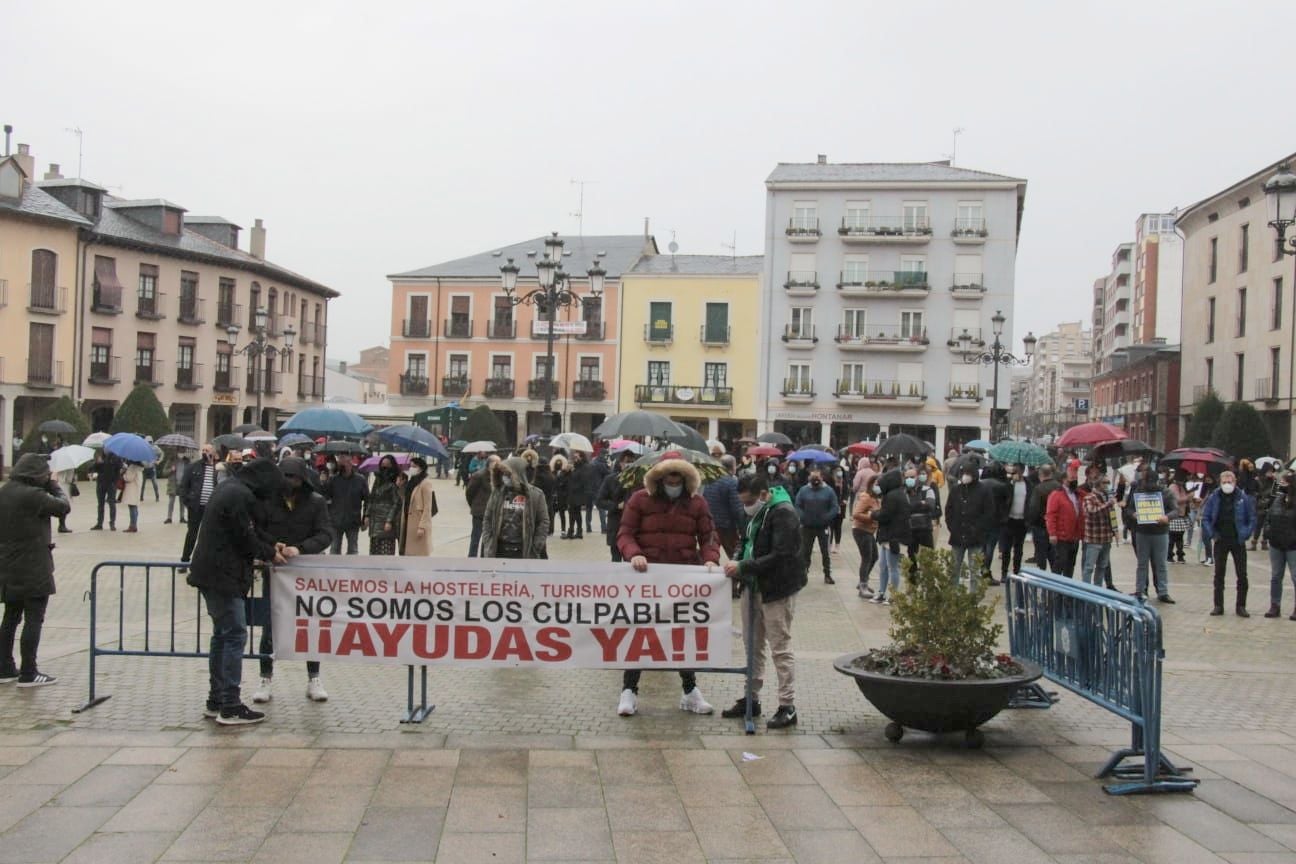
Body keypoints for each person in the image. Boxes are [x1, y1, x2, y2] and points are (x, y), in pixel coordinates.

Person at [615, 451, 720, 717]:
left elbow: (709, 536)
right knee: (640, 632)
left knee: (682, 633)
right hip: (646, 579)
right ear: (660, 477)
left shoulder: (697, 503)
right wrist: (634, 553)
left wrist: (710, 559)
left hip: (682, 578)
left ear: (686, 479)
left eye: (679, 478)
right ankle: (629, 691)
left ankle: (690, 691)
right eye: (669, 477)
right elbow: (625, 533)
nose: (674, 483)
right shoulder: (639, 499)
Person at [187, 457, 286, 725]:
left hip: (211, 573)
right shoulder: (240, 495)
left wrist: (271, 544)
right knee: (234, 635)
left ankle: (216, 699)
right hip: (223, 575)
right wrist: (270, 553)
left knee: (222, 636)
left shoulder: (230, 487)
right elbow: (244, 535)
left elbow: (249, 530)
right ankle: (230, 704)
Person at [722, 474, 805, 729]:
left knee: (779, 646)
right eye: (742, 502)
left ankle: (787, 705)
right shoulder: (757, 513)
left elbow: (782, 554)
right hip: (753, 586)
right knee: (752, 645)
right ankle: (751, 699)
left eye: (749, 501)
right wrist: (737, 557)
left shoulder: (783, 513)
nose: (746, 507)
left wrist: (744, 566)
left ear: (763, 494)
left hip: (776, 590)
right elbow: (746, 540)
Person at [254, 456, 333, 705]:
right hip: (276, 572)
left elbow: (325, 534)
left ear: (302, 479)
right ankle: (265, 679)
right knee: (270, 626)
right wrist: (270, 549)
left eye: (294, 478)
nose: (289, 482)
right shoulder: (268, 501)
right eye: (285, 477)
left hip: (306, 574)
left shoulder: (316, 502)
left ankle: (314, 678)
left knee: (310, 626)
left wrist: (301, 548)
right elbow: (258, 530)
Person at [0, 454, 71, 687]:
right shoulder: (33, 495)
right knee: (33, 618)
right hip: (33, 566)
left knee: (10, 618)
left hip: (9, 565)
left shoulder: (6, 491)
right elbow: (63, 507)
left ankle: (5, 668)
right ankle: (29, 672)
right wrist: (54, 485)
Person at [1201, 469, 1257, 617]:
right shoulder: (1214, 497)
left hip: (1237, 540)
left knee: (1242, 575)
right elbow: (1205, 517)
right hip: (1220, 539)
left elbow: (1251, 518)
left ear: (1235, 482)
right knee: (1219, 573)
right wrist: (1212, 534)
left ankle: (1241, 606)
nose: (1227, 484)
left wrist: (1245, 533)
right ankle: (1218, 605)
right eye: (1224, 482)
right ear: (1220, 483)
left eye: (1229, 481)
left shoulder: (1243, 497)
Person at [480, 456, 549, 558]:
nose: (504, 477)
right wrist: (488, 541)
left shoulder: (536, 495)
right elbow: (487, 518)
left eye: (507, 474)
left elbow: (543, 522)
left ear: (517, 474)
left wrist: (536, 546)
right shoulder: (497, 493)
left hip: (524, 551)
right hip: (499, 550)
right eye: (503, 474)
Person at [946, 458, 995, 586]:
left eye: (968, 473)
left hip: (976, 537)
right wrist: (952, 527)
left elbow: (989, 513)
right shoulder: (956, 490)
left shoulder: (984, 490)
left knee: (975, 571)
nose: (965, 476)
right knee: (954, 569)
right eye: (963, 474)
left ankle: (974, 599)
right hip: (957, 535)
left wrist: (979, 529)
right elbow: (949, 510)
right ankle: (952, 596)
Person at [871, 469, 911, 604]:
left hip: (894, 537)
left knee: (892, 567)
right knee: (883, 565)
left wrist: (873, 514)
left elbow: (885, 515)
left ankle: (893, 595)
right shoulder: (895, 494)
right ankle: (881, 592)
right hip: (887, 536)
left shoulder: (893, 496)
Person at [793, 467, 839, 584]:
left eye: (817, 477)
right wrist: (802, 516)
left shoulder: (829, 491)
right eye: (813, 477)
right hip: (807, 526)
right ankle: (803, 574)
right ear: (809, 478)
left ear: (822, 477)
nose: (815, 480)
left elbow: (834, 507)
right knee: (805, 551)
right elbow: (797, 505)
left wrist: (827, 517)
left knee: (825, 552)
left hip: (823, 526)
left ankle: (827, 574)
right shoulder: (803, 490)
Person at [178, 445, 218, 563]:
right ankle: (185, 559)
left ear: (213, 453)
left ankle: (207, 561)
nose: (205, 453)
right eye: (203, 450)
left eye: (208, 450)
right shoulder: (193, 467)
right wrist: (187, 501)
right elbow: (184, 486)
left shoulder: (218, 468)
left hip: (211, 508)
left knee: (209, 534)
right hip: (195, 507)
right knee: (192, 533)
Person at [596, 449, 638, 563]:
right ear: (620, 463)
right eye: (627, 461)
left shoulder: (638, 480)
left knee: (631, 559)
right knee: (616, 560)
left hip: (633, 528)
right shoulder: (610, 479)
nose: (629, 464)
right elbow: (599, 501)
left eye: (632, 462)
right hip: (616, 525)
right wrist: (615, 506)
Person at [323, 451, 367, 555]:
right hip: (336, 520)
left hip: (353, 520)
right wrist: (325, 481)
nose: (342, 462)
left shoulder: (360, 480)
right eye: (340, 460)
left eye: (344, 459)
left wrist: (366, 516)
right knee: (334, 549)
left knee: (353, 550)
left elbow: (367, 500)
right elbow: (325, 497)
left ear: (350, 461)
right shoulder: (333, 479)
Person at [1265, 472, 1296, 618]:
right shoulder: (1278, 499)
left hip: (1293, 545)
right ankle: (1275, 606)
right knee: (1276, 576)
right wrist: (1269, 533)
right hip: (1276, 544)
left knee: (1295, 576)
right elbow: (1269, 517)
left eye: (1285, 482)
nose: (1281, 485)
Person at [701, 454, 743, 561]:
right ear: (732, 467)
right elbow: (737, 507)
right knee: (734, 554)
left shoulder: (710, 479)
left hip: (710, 523)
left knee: (711, 552)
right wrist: (743, 526)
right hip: (726, 526)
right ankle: (737, 575)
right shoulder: (732, 482)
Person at [1045, 464, 1084, 578]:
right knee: (1059, 565)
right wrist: (1052, 533)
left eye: (1075, 479)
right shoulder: (1056, 495)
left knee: (1070, 566)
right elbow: (1051, 515)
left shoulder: (1077, 494)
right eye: (1072, 479)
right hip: (1062, 537)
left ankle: (1067, 594)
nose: (1074, 481)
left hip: (1074, 536)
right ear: (1064, 480)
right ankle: (1055, 594)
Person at [1081, 471, 1115, 586]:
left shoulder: (1107, 497)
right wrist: (1108, 505)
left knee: (1102, 567)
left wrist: (1115, 530)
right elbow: (1091, 512)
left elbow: (1112, 516)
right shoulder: (1089, 497)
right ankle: (1086, 592)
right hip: (1093, 540)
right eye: (1106, 482)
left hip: (1106, 539)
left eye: (1108, 482)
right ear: (1099, 484)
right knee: (1089, 567)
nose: (1108, 485)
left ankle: (1098, 590)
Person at [998, 464, 1030, 581]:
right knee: (1006, 548)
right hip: (1009, 520)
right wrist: (1011, 482)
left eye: (1019, 471)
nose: (1018, 473)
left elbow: (1030, 500)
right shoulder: (1008, 483)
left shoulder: (1028, 484)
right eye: (1015, 471)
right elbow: (1002, 497)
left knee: (1018, 549)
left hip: (1022, 520)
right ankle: (1004, 572)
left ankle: (1016, 571)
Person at [1026, 464, 1061, 571]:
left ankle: (1042, 575)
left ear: (1040, 475)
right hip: (1056, 526)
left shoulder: (1038, 489)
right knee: (1054, 555)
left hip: (1040, 526)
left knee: (1041, 554)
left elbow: (1034, 508)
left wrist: (1029, 523)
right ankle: (1056, 577)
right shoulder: (1059, 487)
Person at [367, 455, 404, 555]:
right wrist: (367, 515)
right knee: (374, 553)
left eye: (387, 465)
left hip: (387, 522)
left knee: (385, 553)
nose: (384, 467)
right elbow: (371, 498)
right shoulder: (378, 480)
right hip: (375, 521)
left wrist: (389, 520)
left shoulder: (398, 480)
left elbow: (397, 503)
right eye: (383, 465)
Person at [851, 480, 880, 599]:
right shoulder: (866, 498)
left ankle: (863, 581)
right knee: (867, 557)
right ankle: (863, 586)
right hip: (861, 530)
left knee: (874, 557)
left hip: (869, 531)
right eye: (876, 485)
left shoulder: (876, 498)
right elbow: (856, 513)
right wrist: (870, 517)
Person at [464, 454, 497, 557]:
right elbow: (469, 492)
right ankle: (472, 557)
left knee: (487, 538)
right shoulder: (479, 475)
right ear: (490, 464)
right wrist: (474, 505)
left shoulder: (497, 476)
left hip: (492, 512)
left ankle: (484, 557)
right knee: (476, 537)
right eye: (497, 463)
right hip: (479, 511)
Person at [402, 457, 436, 556]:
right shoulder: (411, 481)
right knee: (409, 552)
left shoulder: (425, 483)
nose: (411, 468)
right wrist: (400, 486)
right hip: (408, 519)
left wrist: (422, 526)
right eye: (410, 466)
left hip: (418, 522)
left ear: (421, 468)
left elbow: (428, 507)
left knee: (419, 553)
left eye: (414, 466)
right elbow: (407, 499)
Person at [904, 467, 938, 562]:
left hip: (925, 528)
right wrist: (920, 503)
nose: (909, 479)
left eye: (912, 477)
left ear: (917, 477)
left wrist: (913, 506)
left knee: (928, 557)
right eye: (907, 477)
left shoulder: (927, 490)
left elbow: (930, 506)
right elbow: (904, 510)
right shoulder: (904, 492)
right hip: (910, 529)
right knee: (911, 559)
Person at [91, 448, 121, 531]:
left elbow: (118, 470)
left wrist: (114, 482)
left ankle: (112, 523)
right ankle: (99, 523)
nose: (105, 449)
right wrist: (97, 463)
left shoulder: (115, 457)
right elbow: (94, 469)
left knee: (112, 503)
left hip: (111, 484)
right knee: (100, 504)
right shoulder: (100, 456)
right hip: (101, 483)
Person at [565, 452, 592, 539]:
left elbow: (583, 480)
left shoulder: (584, 467)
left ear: (581, 457)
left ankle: (577, 531)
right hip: (573, 494)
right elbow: (571, 478)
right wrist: (568, 472)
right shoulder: (575, 467)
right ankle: (572, 531)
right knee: (572, 512)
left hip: (578, 494)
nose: (575, 458)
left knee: (575, 513)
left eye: (576, 457)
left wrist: (574, 486)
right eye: (574, 457)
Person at [1167, 473, 1190, 564]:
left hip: (1182, 515)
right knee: (1172, 537)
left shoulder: (1181, 487)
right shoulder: (1173, 487)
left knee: (1180, 537)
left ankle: (1180, 555)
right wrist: (1188, 497)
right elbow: (1176, 500)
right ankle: (1169, 555)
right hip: (1174, 515)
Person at [586, 451, 610, 534]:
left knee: (588, 509)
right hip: (597, 489)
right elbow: (608, 474)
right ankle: (604, 528)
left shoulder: (591, 464)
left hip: (588, 489)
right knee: (601, 509)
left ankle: (588, 527)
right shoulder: (602, 465)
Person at [165, 456, 189, 525]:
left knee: (182, 502)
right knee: (171, 501)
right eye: (179, 449)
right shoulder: (171, 460)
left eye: (182, 449)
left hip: (182, 484)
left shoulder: (187, 461)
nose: (181, 452)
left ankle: (182, 517)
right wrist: (171, 469)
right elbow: (164, 472)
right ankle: (169, 518)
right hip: (173, 484)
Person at [550, 455, 570, 537]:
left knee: (562, 514)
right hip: (555, 496)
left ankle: (563, 530)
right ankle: (551, 530)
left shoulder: (564, 473)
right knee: (552, 514)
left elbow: (567, 483)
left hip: (561, 496)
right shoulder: (552, 473)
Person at [121, 460, 142, 533]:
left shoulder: (133, 467)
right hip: (136, 489)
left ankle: (132, 526)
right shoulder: (140, 468)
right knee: (134, 507)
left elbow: (128, 478)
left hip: (132, 490)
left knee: (132, 508)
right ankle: (134, 525)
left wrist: (123, 474)